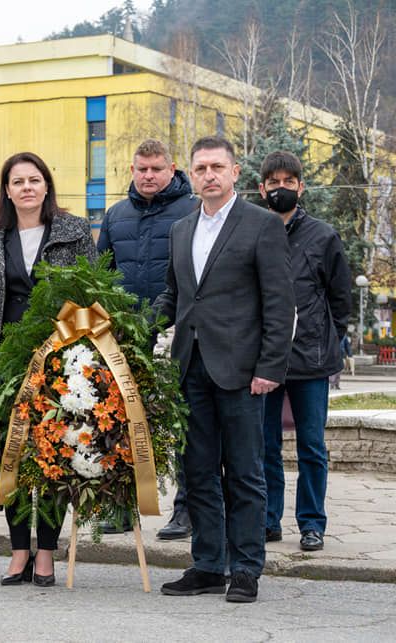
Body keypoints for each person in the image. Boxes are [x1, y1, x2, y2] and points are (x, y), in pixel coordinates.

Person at [155, 137, 294, 603]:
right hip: (190, 368)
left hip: (242, 371)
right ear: (189, 175)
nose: (209, 175)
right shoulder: (180, 229)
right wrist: (131, 328)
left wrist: (270, 366)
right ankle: (209, 564)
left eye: (217, 167)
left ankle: (247, 568)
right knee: (197, 472)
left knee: (244, 473)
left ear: (235, 173)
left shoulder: (261, 226)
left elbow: (279, 301)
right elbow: (175, 298)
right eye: (200, 168)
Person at [0, 152, 98, 587]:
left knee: (55, 456)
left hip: (60, 363)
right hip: (6, 364)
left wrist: (85, 358)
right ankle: (18, 550)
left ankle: (47, 552)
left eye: (34, 179)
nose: (26, 187)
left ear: (46, 186)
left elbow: (91, 295)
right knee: (12, 457)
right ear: (6, 190)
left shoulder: (74, 233)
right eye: (17, 181)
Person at [96, 138, 195, 539]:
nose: (149, 176)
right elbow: (100, 272)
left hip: (178, 333)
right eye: (142, 169)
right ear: (132, 171)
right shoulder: (115, 215)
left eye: (156, 169)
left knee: (184, 425)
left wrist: (159, 319)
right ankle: (122, 505)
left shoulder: (192, 210)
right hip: (124, 338)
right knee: (121, 422)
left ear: (171, 169)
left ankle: (185, 511)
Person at [258, 151, 351, 552]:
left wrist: (328, 341)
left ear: (301, 186)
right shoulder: (253, 230)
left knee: (312, 446)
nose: (281, 188)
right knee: (265, 446)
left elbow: (340, 298)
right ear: (262, 188)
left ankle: (312, 523)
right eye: (273, 182)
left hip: (311, 361)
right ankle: (267, 520)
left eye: (288, 181)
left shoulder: (323, 236)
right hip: (263, 360)